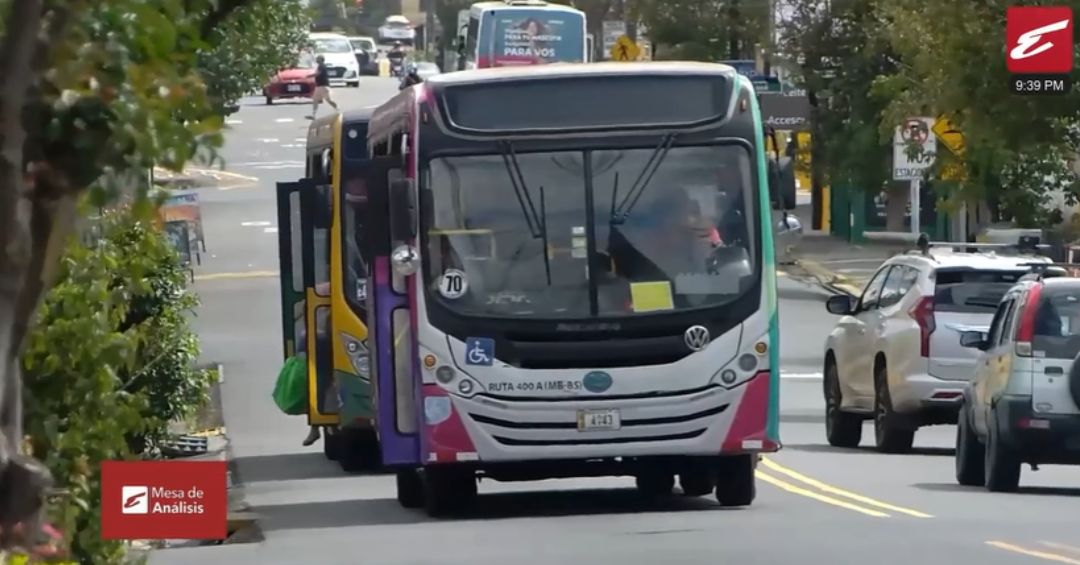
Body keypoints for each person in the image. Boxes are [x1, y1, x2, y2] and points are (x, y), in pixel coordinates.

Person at [307, 55, 338, 120]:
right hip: (319, 86)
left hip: (323, 86)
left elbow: (318, 74)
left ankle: (337, 109)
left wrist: (309, 76)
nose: (316, 60)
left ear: (321, 59)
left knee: (329, 100)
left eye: (318, 59)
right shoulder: (320, 66)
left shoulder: (322, 66)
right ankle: (314, 114)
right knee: (315, 100)